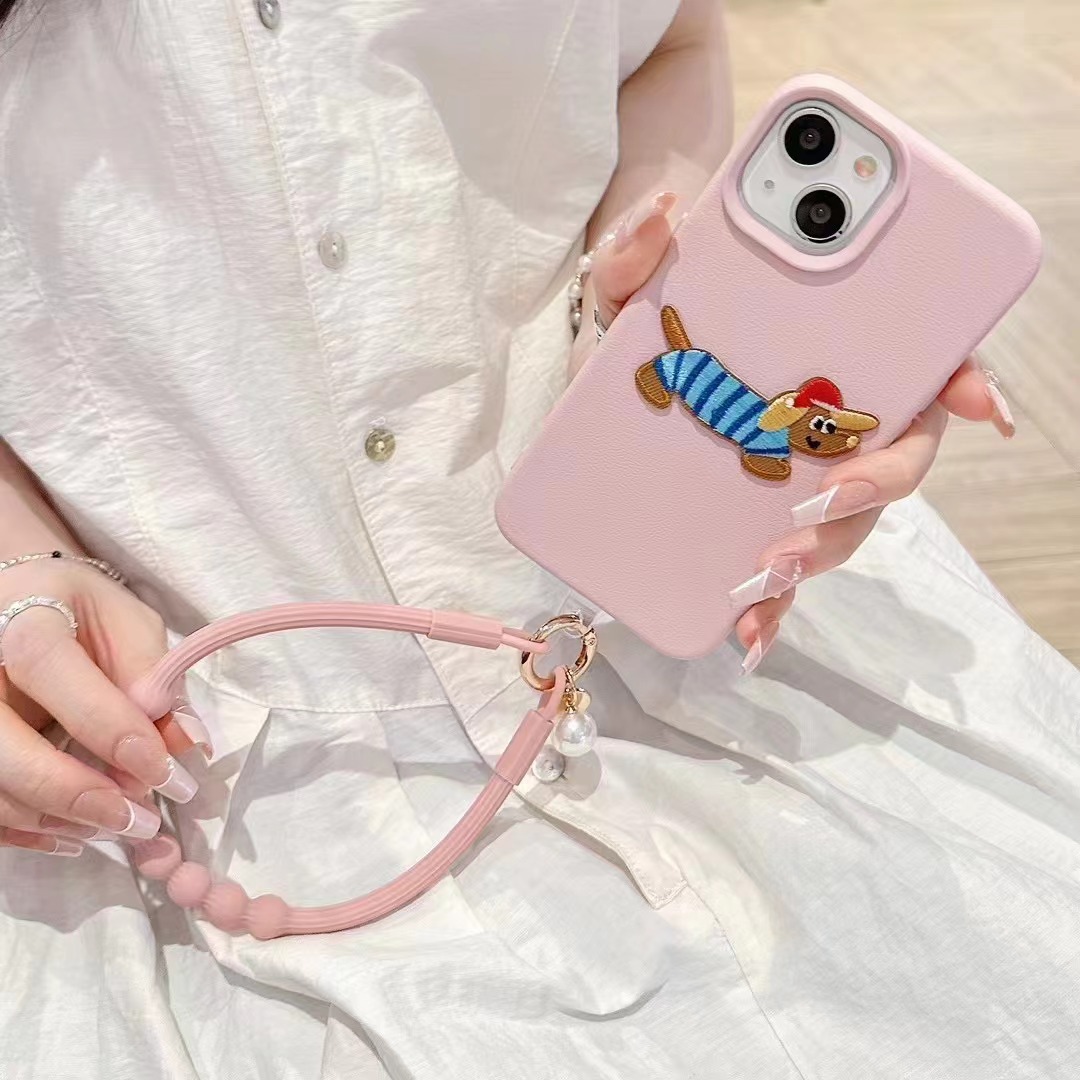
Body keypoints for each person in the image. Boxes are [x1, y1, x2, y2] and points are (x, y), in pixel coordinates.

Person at [1, 2, 1077, 1077]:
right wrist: (18, 558)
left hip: (704, 599)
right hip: (168, 727)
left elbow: (672, 37)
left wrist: (660, 271)